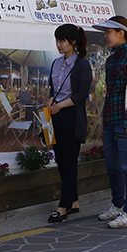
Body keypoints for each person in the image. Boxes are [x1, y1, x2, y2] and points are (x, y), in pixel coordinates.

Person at [94, 15, 127, 228]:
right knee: (112, 165)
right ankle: (118, 205)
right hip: (110, 119)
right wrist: (103, 120)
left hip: (125, 120)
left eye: (108, 32)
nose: (106, 36)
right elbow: (110, 91)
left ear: (121, 33)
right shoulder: (111, 59)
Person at [46, 23, 92, 222]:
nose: (59, 45)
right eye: (57, 41)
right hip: (56, 115)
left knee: (69, 161)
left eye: (63, 41)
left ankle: (63, 206)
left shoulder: (82, 64)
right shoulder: (56, 63)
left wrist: (60, 105)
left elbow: (82, 94)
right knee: (60, 159)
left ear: (73, 42)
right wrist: (51, 101)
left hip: (72, 115)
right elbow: (53, 89)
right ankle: (73, 201)